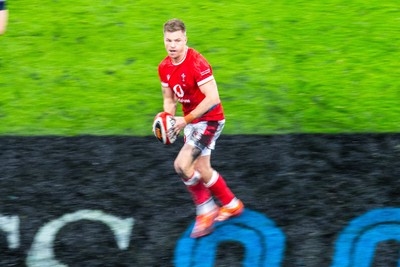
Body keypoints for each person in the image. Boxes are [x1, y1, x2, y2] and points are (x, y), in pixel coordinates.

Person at [158, 18, 244, 238]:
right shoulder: (164, 67)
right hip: (192, 121)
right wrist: (168, 120)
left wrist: (184, 120)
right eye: (169, 40)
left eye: (177, 40)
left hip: (209, 119)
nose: (173, 45)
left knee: (182, 165)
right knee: (202, 169)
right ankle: (231, 204)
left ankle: (206, 210)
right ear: (164, 40)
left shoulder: (197, 63)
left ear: (185, 39)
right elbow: (169, 99)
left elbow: (213, 98)